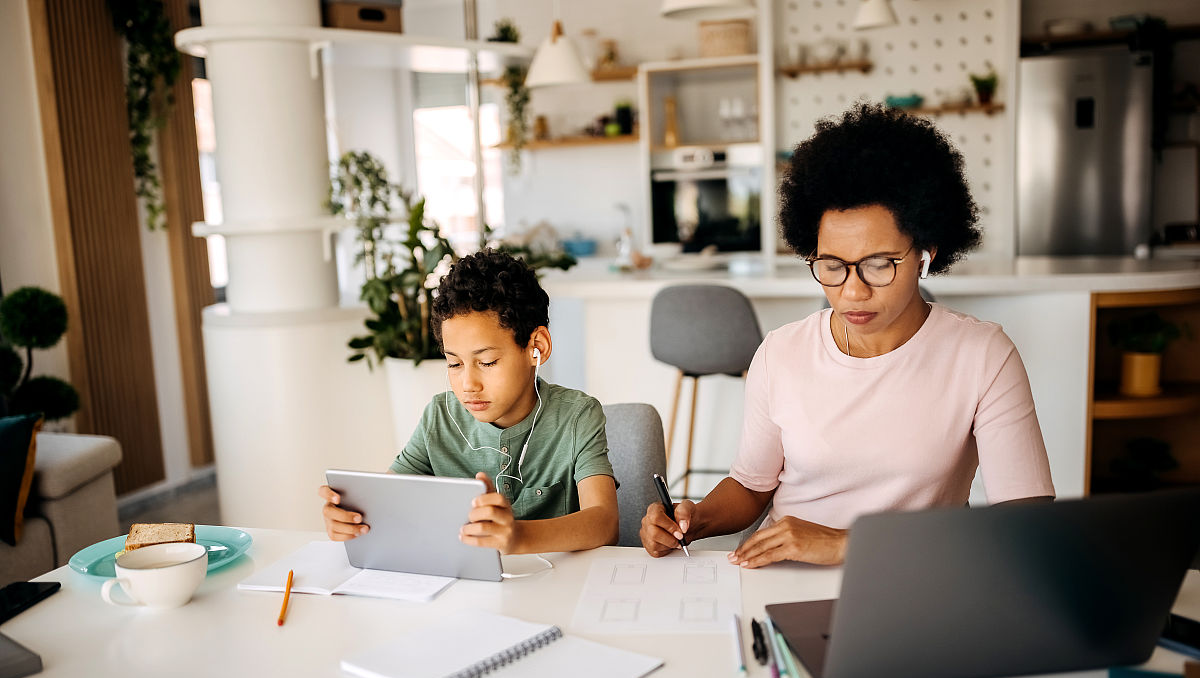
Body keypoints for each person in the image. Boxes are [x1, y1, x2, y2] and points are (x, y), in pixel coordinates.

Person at [640, 102, 1055, 567]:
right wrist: (695, 520)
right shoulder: (781, 352)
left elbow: (1028, 526)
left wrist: (847, 544)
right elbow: (751, 487)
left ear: (926, 253)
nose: (853, 291)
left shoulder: (982, 356)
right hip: (781, 574)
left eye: (878, 264)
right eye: (832, 265)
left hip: (913, 575)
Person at [320, 249, 619, 554]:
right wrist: (353, 517)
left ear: (536, 348)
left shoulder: (577, 416)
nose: (468, 385)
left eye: (487, 362)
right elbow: (386, 502)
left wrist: (519, 536)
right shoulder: (439, 417)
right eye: (454, 363)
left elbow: (605, 523)